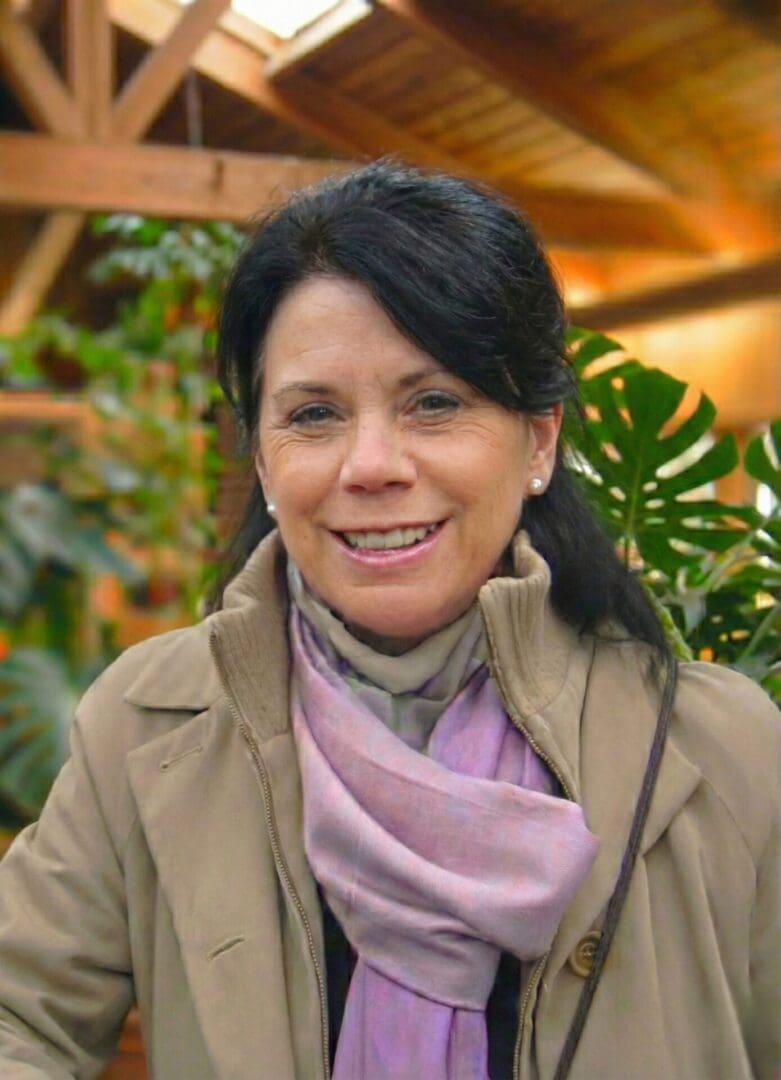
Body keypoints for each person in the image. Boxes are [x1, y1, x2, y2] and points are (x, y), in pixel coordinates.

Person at [0, 161, 778, 1080]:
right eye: (315, 413)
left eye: (434, 403)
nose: (370, 465)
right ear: (259, 454)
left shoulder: (723, 750)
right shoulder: (148, 720)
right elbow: (23, 1019)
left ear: (537, 439)